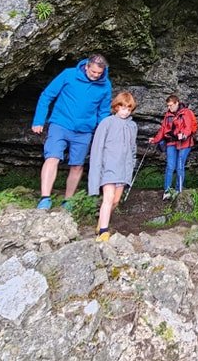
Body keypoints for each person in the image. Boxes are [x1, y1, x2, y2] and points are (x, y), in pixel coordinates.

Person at [31, 54, 112, 210]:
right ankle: (45, 198)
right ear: (87, 66)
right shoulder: (68, 74)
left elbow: (103, 112)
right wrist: (39, 120)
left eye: (99, 73)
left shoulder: (105, 85)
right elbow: (47, 95)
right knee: (52, 157)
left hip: (84, 130)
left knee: (77, 165)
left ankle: (68, 201)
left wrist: (102, 134)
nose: (95, 76)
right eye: (93, 72)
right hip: (60, 124)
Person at [87, 91, 138, 241]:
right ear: (116, 107)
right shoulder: (107, 123)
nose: (125, 112)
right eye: (122, 108)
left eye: (128, 109)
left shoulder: (132, 126)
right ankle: (103, 231)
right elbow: (97, 147)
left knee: (115, 201)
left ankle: (101, 222)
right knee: (108, 198)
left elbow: (133, 147)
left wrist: (132, 164)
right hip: (108, 167)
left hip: (123, 169)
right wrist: (98, 168)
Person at [149, 94, 198, 199]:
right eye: (168, 105)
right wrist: (155, 139)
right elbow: (163, 129)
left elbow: (188, 127)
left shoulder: (186, 113)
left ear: (177, 103)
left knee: (180, 166)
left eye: (171, 105)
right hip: (171, 142)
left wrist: (184, 135)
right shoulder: (168, 115)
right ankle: (167, 191)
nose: (169, 108)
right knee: (170, 166)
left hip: (184, 143)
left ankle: (178, 191)